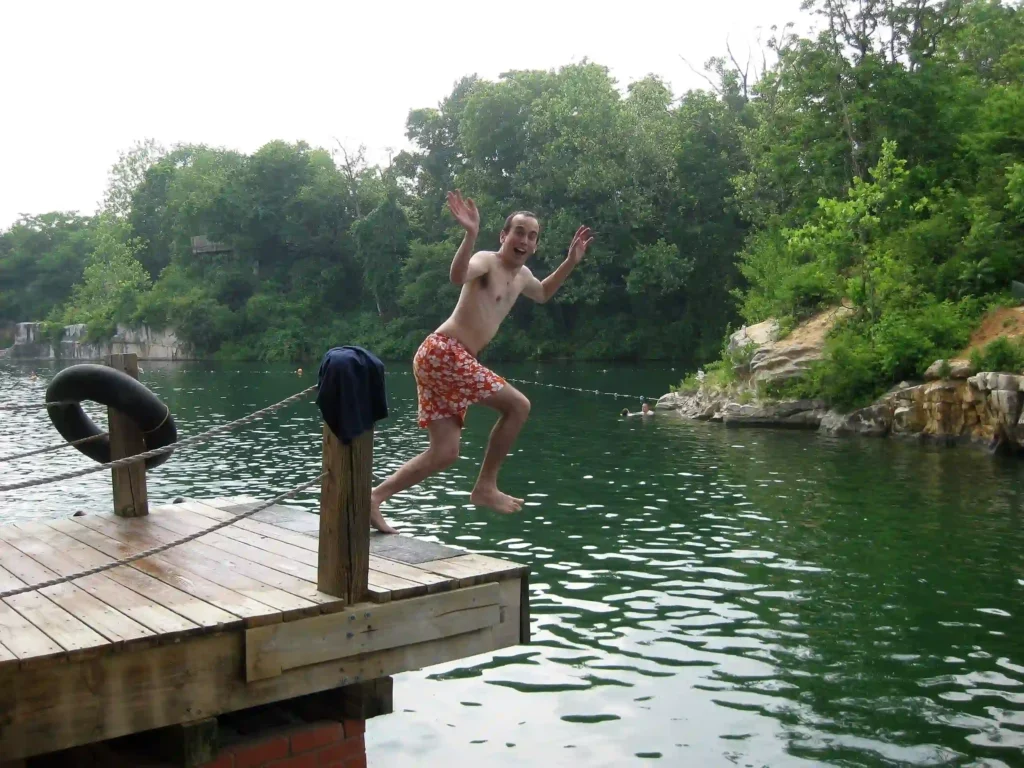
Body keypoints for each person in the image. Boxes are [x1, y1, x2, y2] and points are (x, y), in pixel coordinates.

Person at [369, 190, 593, 534]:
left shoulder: (523, 277)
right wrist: (470, 235)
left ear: (535, 245)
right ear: (504, 236)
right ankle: (485, 486)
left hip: (442, 358)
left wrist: (570, 262)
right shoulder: (488, 261)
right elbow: (458, 276)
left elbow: (545, 293)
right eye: (518, 231)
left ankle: (374, 497)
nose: (524, 240)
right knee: (518, 406)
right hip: (444, 351)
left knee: (445, 453)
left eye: (532, 236)